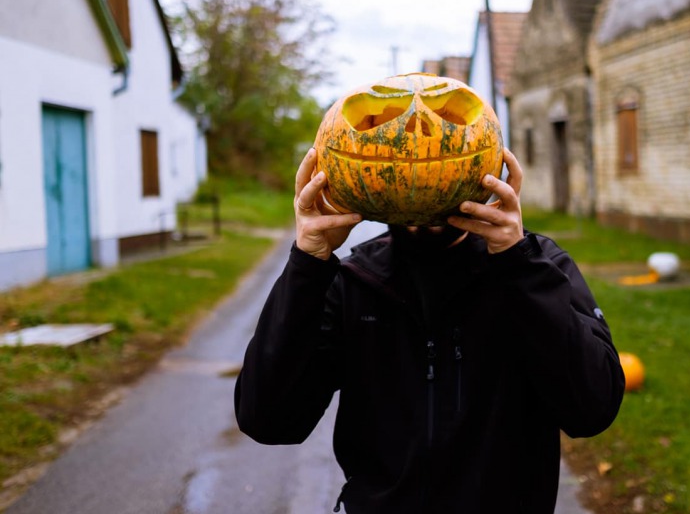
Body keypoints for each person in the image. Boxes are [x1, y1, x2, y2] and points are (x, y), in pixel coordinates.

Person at [235, 146, 625, 513]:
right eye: (408, 163)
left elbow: (592, 409)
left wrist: (519, 263)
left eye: (438, 158)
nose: (423, 175)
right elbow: (269, 421)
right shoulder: (353, 281)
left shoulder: (535, 267)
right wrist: (308, 262)